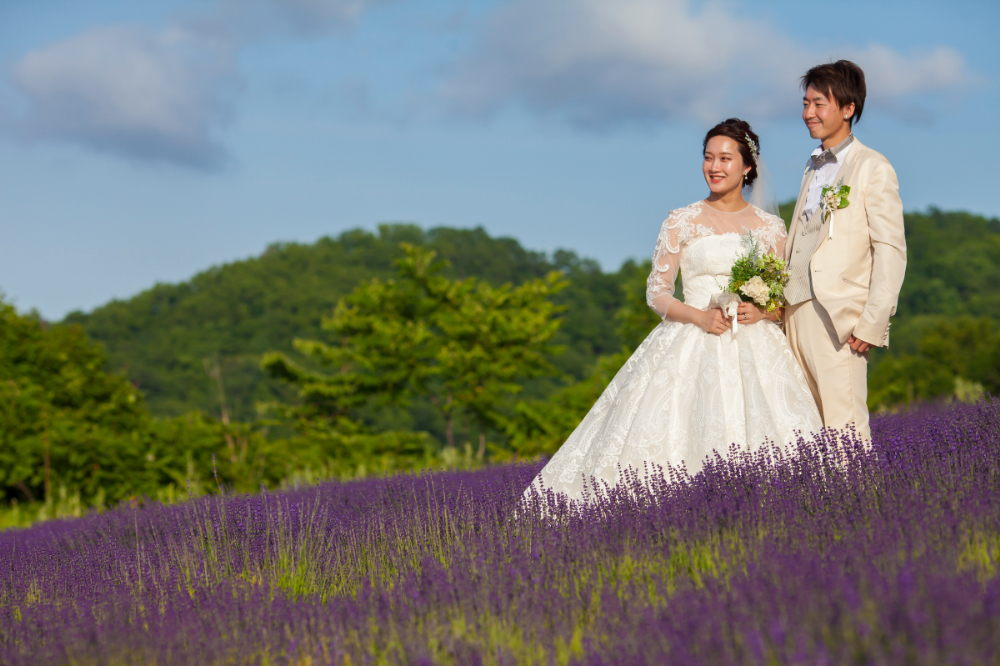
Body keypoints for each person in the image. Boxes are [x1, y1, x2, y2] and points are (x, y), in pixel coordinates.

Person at [525, 119, 822, 502]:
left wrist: (762, 313)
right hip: (690, 336)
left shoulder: (771, 228)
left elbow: (783, 300)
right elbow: (658, 293)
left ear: (748, 167)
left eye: (725, 158)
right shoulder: (681, 221)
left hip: (754, 345)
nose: (714, 167)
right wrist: (699, 316)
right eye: (708, 157)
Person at [783, 61, 907, 442]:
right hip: (793, 313)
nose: (808, 113)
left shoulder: (873, 167)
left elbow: (890, 249)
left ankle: (861, 503)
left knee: (845, 431)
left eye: (819, 104)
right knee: (805, 432)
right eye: (805, 104)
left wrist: (872, 322)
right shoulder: (811, 167)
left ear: (848, 108)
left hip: (839, 319)